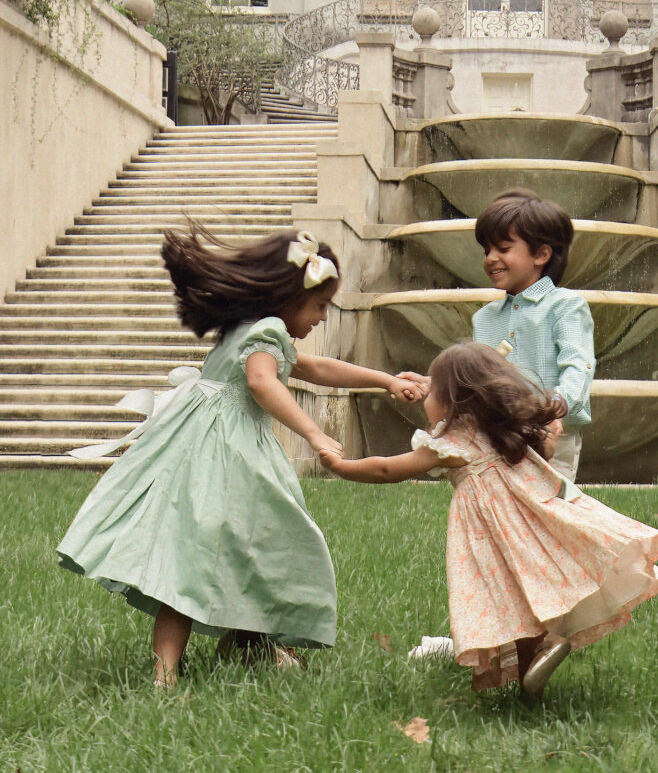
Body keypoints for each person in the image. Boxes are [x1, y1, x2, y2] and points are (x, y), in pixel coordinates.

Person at [54, 223, 427, 688]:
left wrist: (385, 380)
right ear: (289, 298)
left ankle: (224, 650)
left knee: (206, 547)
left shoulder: (250, 325)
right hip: (225, 450)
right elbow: (261, 381)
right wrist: (313, 432)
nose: (323, 318)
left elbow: (313, 366)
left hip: (196, 445)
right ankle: (225, 650)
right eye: (319, 306)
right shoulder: (267, 329)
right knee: (260, 538)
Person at [320, 342, 658, 698]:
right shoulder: (499, 430)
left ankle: (534, 659)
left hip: (492, 535)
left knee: (506, 598)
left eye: (433, 391)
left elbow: (385, 469)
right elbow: (548, 439)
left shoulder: (455, 440)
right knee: (528, 590)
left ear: (452, 401)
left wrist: (340, 467)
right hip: (527, 528)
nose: (425, 399)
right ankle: (534, 664)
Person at [470, 189, 594, 479]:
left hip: (553, 432)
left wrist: (556, 406)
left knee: (550, 511)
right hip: (497, 435)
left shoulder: (565, 306)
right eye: (486, 250)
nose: (490, 258)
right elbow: (475, 379)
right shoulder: (484, 318)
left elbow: (579, 365)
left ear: (541, 254)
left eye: (502, 248)